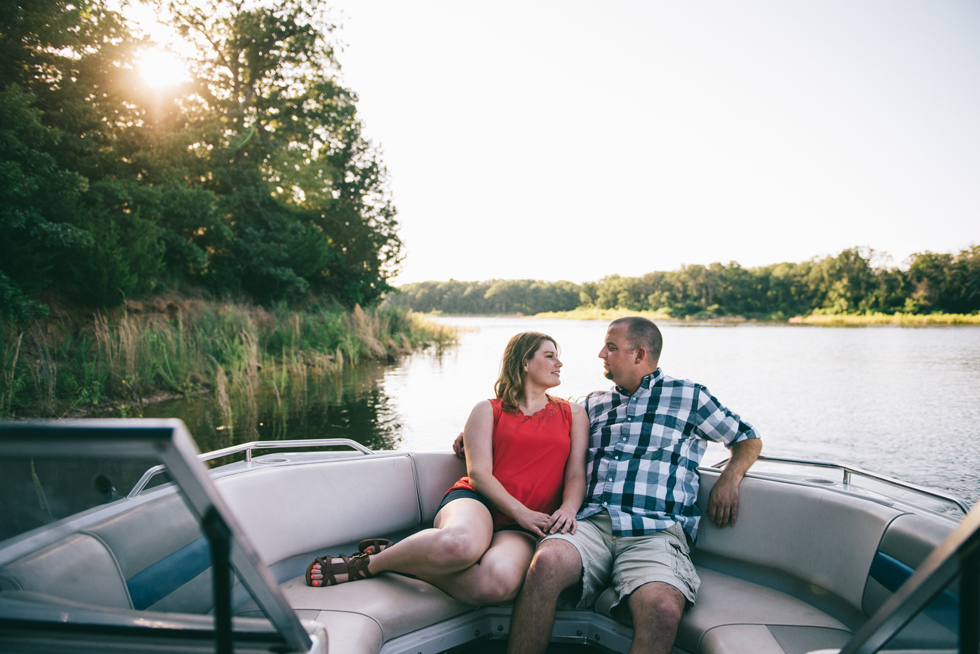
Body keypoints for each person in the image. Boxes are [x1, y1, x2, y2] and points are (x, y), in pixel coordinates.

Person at [502, 317, 763, 654]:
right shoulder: (590, 403)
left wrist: (730, 476)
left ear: (639, 355)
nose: (601, 354)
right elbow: (533, 416)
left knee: (664, 608)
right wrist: (480, 433)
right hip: (592, 524)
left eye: (611, 347)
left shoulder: (689, 397)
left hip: (656, 531)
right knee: (546, 564)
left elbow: (747, 438)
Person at [305, 331, 589, 606]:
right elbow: (479, 475)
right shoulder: (488, 410)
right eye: (550, 356)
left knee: (496, 585)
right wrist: (520, 511)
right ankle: (369, 564)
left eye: (557, 357)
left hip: (528, 523)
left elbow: (576, 473)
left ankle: (401, 560)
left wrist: (567, 510)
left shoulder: (573, 413)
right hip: (479, 501)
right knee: (459, 546)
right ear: (525, 363)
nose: (559, 363)